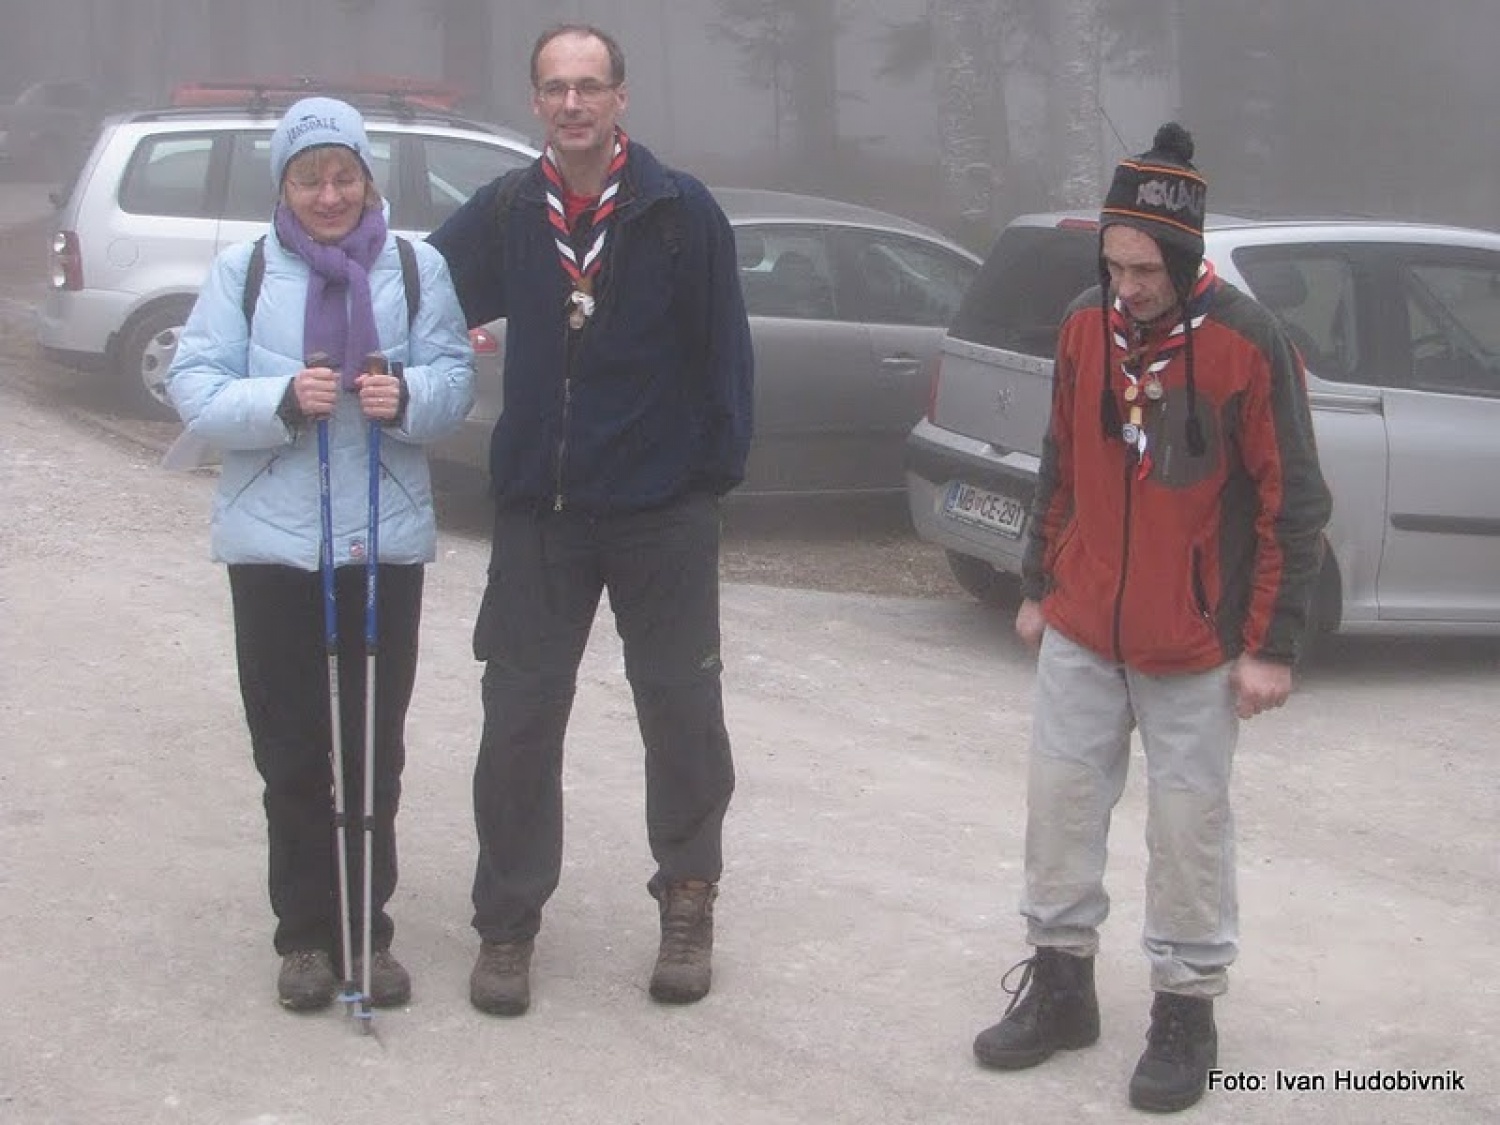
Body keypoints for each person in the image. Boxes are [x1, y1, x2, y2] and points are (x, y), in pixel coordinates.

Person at [970, 123, 1331, 1113]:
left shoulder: (1249, 343)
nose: (1125, 284)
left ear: (1182, 257)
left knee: (1187, 831)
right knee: (1060, 810)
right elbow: (1058, 461)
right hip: (1084, 626)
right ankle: (1061, 988)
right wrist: (1040, 584)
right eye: (1114, 264)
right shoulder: (1087, 324)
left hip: (1194, 645)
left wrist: (1267, 644)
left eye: (1143, 268)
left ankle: (1185, 1010)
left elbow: (1291, 499)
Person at [428, 23, 753, 1017]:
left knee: (682, 716)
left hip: (661, 514)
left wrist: (704, 481)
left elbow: (725, 357)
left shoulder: (677, 212)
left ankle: (688, 901)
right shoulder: (504, 211)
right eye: (555, 88)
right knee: (519, 722)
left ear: (621, 97)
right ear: (536, 102)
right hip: (543, 512)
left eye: (590, 86)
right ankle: (508, 925)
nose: (572, 104)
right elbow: (418, 297)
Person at [166, 96, 475, 1012]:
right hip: (274, 549)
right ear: (285, 185)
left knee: (373, 746)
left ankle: (366, 934)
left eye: (344, 175)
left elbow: (456, 381)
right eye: (309, 177)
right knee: (294, 749)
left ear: (368, 178)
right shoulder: (244, 269)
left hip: (382, 543)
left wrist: (407, 393)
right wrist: (282, 399)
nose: (328, 193)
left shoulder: (418, 268)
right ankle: (305, 936)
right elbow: (193, 384)